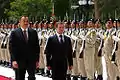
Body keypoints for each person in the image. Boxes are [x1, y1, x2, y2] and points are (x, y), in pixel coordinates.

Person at [9, 16, 40, 80]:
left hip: (31, 60)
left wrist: (37, 60)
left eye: (27, 21)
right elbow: (12, 48)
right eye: (24, 21)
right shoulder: (14, 33)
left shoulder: (33, 32)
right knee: (20, 78)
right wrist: (14, 60)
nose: (26, 23)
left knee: (32, 77)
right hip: (19, 61)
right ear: (20, 22)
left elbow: (37, 47)